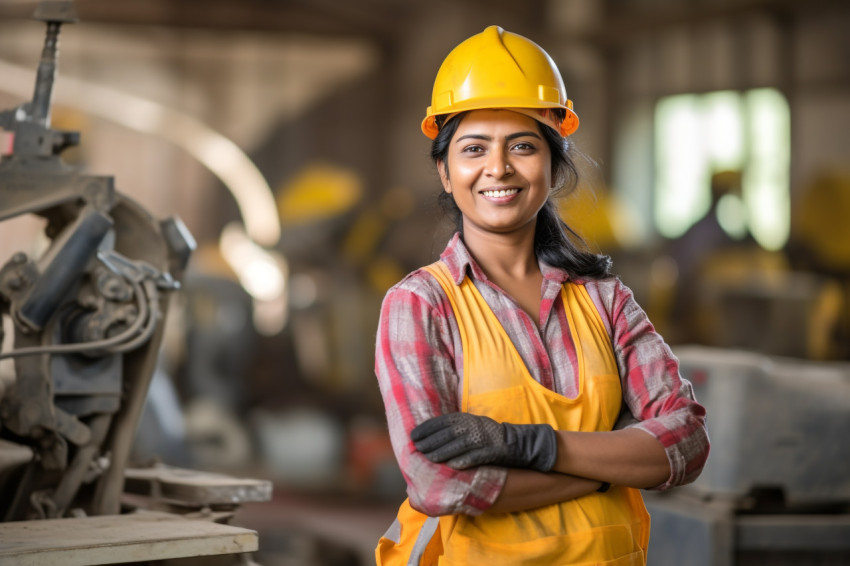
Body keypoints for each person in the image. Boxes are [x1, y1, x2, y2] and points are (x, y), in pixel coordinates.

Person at [374, 25, 709, 565]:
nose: (498, 168)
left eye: (523, 146)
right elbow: (438, 486)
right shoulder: (420, 306)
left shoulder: (605, 300)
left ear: (554, 166)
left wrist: (535, 446)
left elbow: (687, 442)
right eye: (473, 148)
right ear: (444, 170)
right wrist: (606, 473)